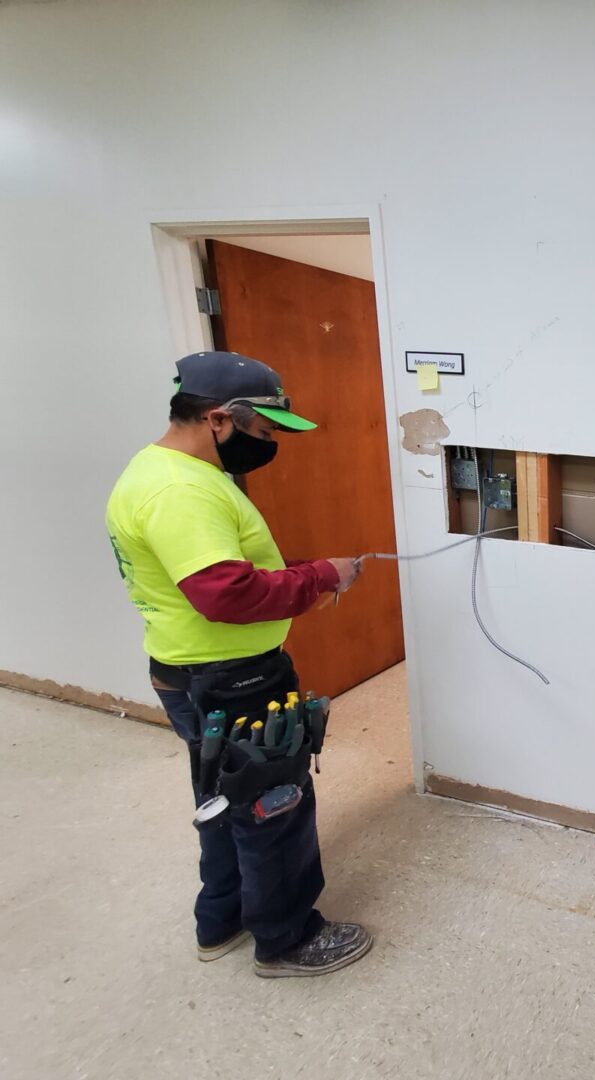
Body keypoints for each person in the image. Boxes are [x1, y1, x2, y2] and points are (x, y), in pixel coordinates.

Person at [105, 351, 373, 978]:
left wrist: (296, 574)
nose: (272, 442)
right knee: (272, 804)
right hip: (234, 678)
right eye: (265, 429)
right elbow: (226, 594)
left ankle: (220, 919)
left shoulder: (162, 471)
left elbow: (222, 575)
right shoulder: (180, 490)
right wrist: (320, 577)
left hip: (193, 672)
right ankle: (287, 939)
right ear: (221, 419)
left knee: (223, 800)